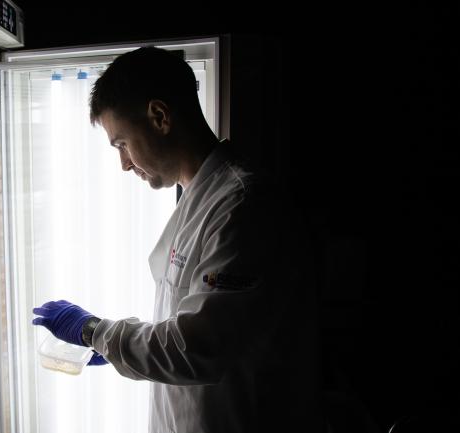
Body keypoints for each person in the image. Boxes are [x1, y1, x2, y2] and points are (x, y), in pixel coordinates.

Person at [32, 46, 324, 433]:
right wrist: (109, 346)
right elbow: (192, 324)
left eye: (122, 143)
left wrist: (93, 331)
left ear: (159, 116)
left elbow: (199, 349)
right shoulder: (202, 198)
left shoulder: (242, 206)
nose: (123, 163)